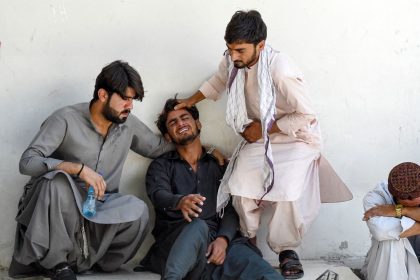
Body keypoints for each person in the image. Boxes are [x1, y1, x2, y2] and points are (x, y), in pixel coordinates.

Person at [175, 10, 339, 279]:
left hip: (295, 135)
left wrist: (263, 129)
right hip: (260, 135)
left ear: (260, 45)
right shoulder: (233, 60)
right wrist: (189, 102)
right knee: (239, 185)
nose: (233, 56)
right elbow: (218, 81)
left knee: (286, 192)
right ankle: (248, 240)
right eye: (229, 49)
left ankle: (286, 250)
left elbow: (307, 116)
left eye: (240, 50)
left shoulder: (281, 69)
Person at [8, 60, 175, 280]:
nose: (130, 106)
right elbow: (27, 162)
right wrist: (77, 169)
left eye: (132, 100)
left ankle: (93, 264)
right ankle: (57, 263)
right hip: (58, 207)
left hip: (98, 206)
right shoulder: (65, 119)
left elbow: (159, 148)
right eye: (124, 99)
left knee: (138, 210)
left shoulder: (128, 124)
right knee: (56, 182)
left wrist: (204, 147)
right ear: (103, 95)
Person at [136, 98, 282, 279]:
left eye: (185, 118)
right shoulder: (161, 166)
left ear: (198, 124)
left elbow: (231, 207)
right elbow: (158, 194)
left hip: (218, 243)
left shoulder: (219, 164)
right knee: (197, 226)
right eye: (173, 122)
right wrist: (179, 201)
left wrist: (223, 239)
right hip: (179, 242)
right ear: (167, 136)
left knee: (265, 273)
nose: (180, 123)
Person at [362, 162, 420, 280]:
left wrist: (400, 210)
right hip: (394, 263)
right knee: (389, 239)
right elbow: (380, 232)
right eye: (405, 201)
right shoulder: (376, 196)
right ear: (396, 195)